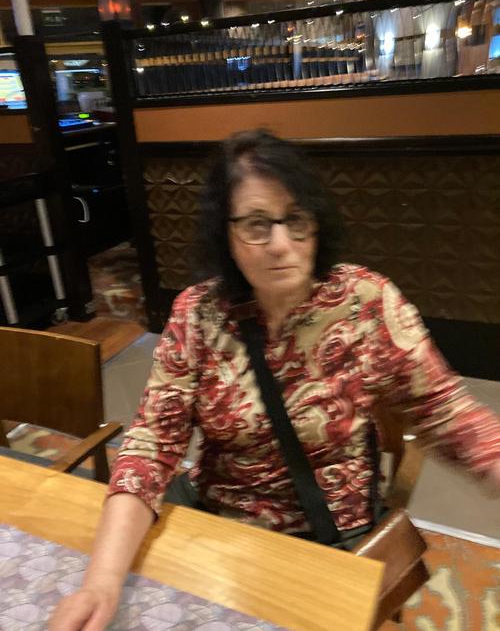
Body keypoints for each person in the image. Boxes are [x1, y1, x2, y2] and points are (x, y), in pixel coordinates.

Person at [50, 129, 500, 630]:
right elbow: (153, 444)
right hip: (217, 519)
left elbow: (445, 410)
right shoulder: (198, 313)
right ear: (226, 234)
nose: (281, 245)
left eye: (296, 220)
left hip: (331, 532)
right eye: (257, 225)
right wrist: (100, 582)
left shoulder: (367, 302)